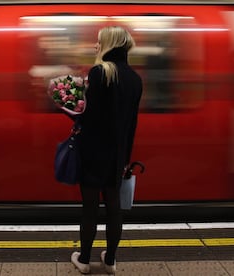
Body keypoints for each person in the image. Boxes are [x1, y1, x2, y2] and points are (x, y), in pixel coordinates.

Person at [70, 26, 143, 274]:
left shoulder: (100, 73)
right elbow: (132, 124)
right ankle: (110, 260)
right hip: (117, 154)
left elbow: (89, 117)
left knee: (90, 207)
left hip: (93, 152)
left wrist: (75, 114)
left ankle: (85, 260)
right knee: (114, 207)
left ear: (109, 44)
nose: (95, 46)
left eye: (98, 41)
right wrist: (125, 157)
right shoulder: (135, 79)